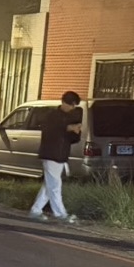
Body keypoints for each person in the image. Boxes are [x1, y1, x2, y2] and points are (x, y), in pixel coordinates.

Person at [29, 91, 82, 223]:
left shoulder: (70, 117)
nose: (72, 108)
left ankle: (36, 210)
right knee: (55, 185)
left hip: (61, 155)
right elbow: (51, 131)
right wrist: (68, 128)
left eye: (74, 105)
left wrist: (75, 132)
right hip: (51, 154)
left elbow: (73, 138)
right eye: (71, 105)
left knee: (49, 185)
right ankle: (61, 214)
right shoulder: (52, 116)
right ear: (64, 102)